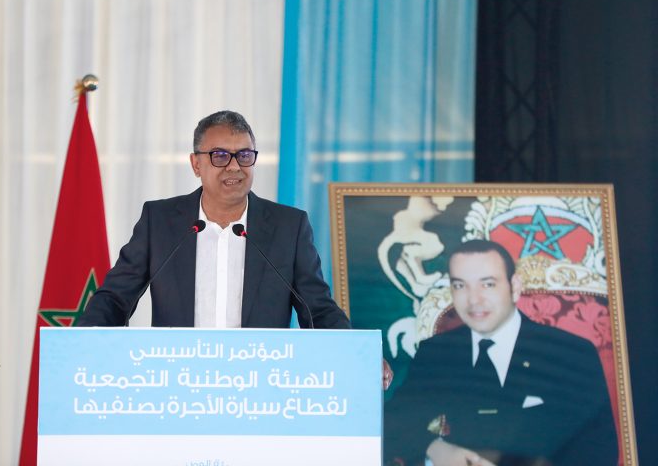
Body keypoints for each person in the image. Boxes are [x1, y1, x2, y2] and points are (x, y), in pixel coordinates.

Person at [76, 110, 351, 330]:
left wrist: (357, 352)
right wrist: (82, 341)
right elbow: (115, 298)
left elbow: (318, 310)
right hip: (178, 375)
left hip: (260, 377)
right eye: (220, 156)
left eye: (244, 155)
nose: (234, 166)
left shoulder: (288, 227)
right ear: (196, 164)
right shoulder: (159, 222)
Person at [384, 240, 617, 466]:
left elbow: (599, 447)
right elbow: (394, 426)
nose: (474, 300)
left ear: (514, 287)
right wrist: (434, 448)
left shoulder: (568, 353)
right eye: (460, 285)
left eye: (488, 284)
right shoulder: (437, 352)